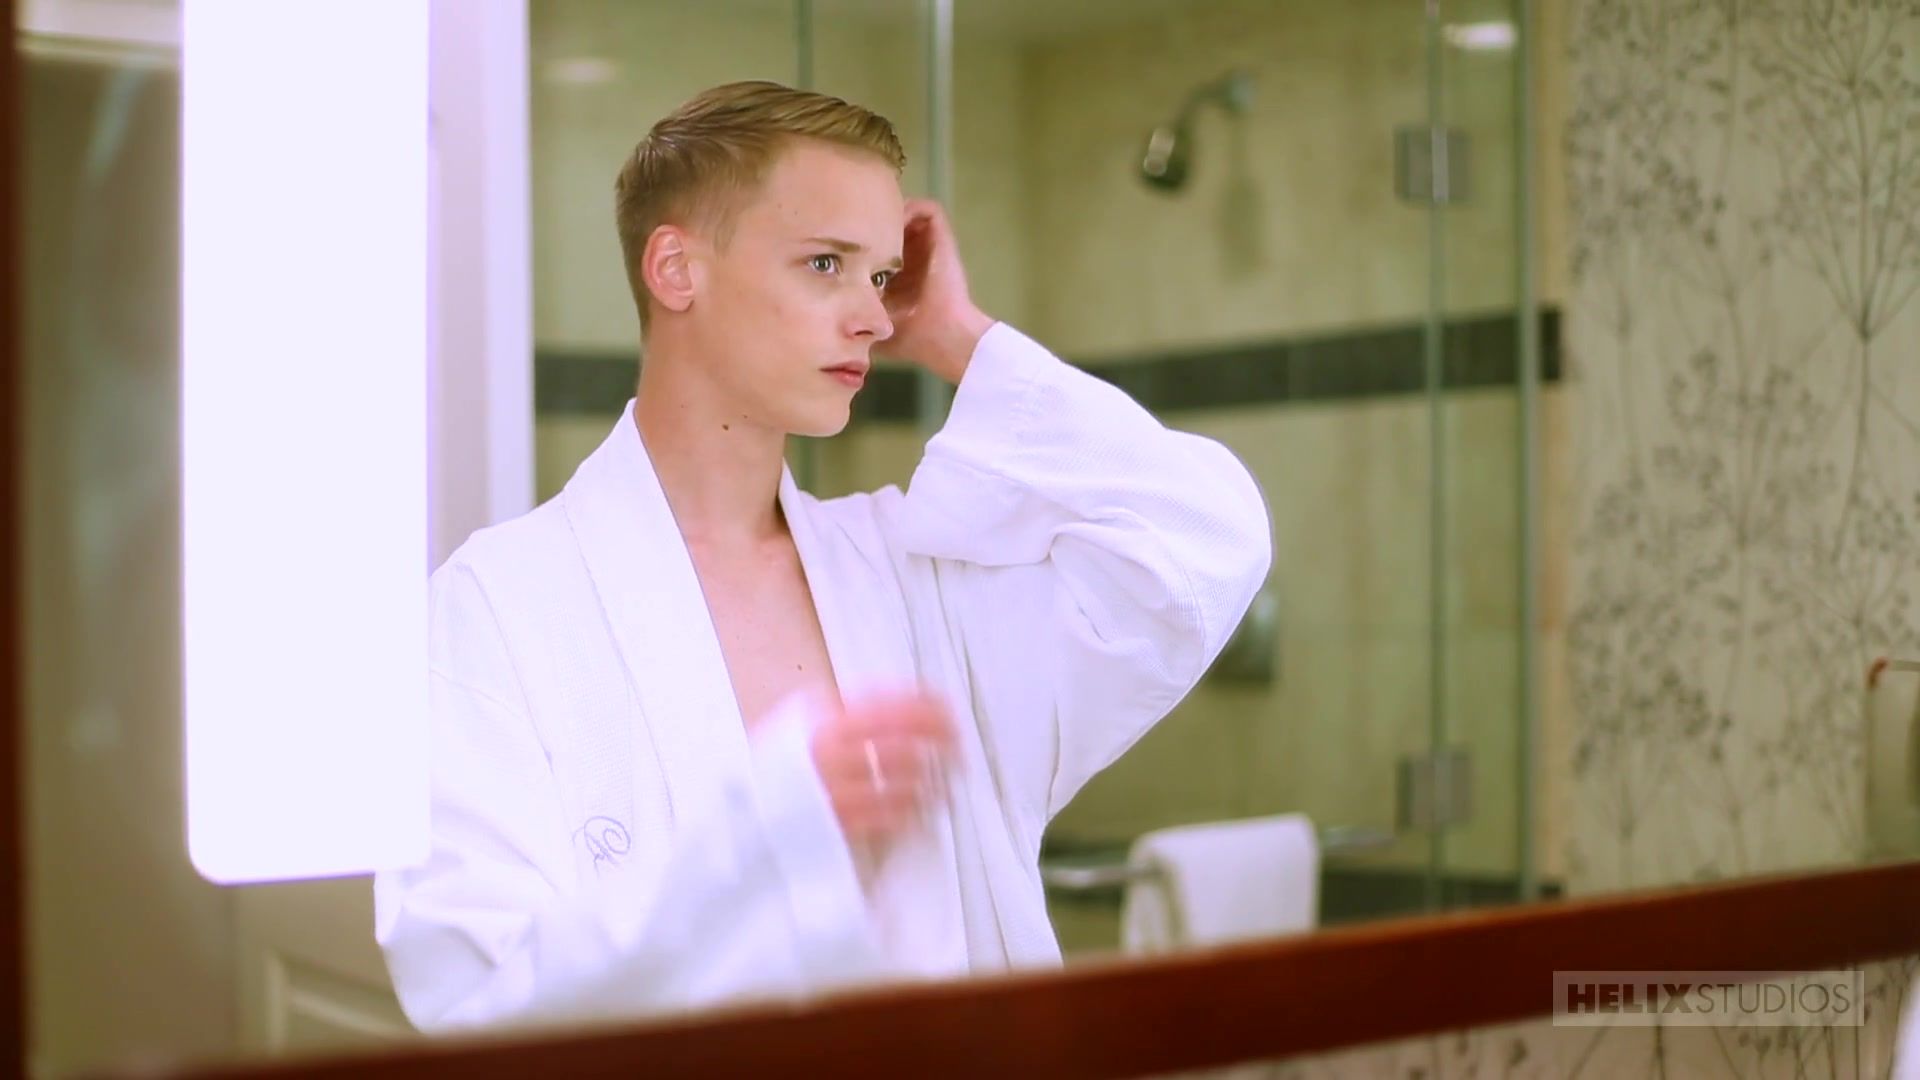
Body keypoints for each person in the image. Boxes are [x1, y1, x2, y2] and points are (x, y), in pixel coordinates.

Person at [373, 79, 1273, 1033]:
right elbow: (472, 991)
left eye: (880, 277)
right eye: (825, 263)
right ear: (675, 269)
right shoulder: (499, 606)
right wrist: (768, 838)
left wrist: (958, 336)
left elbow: (1205, 539)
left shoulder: (913, 577)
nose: (874, 319)